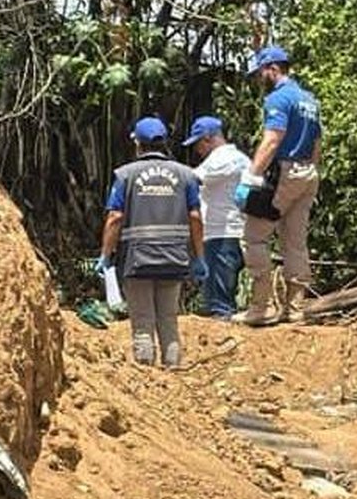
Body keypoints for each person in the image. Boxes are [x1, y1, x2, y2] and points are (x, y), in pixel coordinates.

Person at [96, 116, 208, 367]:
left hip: (137, 259)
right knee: (168, 317)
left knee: (143, 318)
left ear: (138, 144)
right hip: (175, 257)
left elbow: (115, 217)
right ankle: (173, 369)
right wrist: (199, 257)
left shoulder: (125, 175)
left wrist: (105, 254)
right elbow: (195, 217)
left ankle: (147, 375)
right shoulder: (186, 175)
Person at [234, 45, 322, 326]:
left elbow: (272, 139)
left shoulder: (278, 99)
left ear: (272, 68)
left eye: (261, 72)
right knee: (295, 242)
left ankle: (262, 306)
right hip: (308, 173)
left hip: (284, 173)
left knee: (253, 236)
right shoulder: (309, 100)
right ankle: (295, 309)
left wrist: (251, 175)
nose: (260, 78)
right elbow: (317, 143)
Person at [182, 115, 251, 320]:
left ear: (209, 138)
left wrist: (167, 170)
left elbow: (191, 177)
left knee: (221, 296)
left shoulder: (223, 158)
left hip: (223, 231)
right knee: (216, 288)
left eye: (198, 144)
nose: (197, 150)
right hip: (228, 229)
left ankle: (222, 326)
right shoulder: (241, 158)